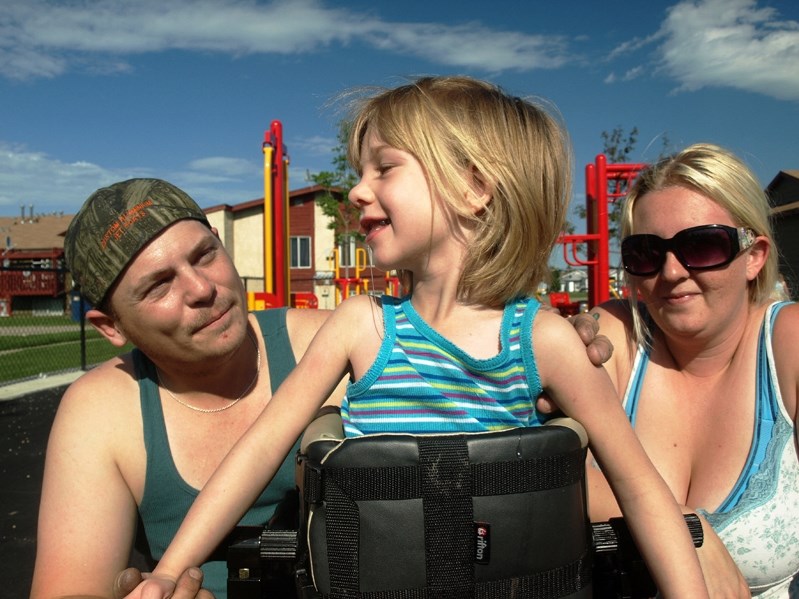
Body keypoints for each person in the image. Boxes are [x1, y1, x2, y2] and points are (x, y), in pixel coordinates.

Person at [126, 76, 708, 599]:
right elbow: (258, 451)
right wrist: (170, 571)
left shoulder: (541, 341)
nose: (356, 191)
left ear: (473, 186)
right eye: (360, 173)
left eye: (384, 168)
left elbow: (640, 489)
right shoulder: (363, 325)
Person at [30, 177, 609, 599]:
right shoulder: (104, 410)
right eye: (158, 286)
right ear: (110, 326)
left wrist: (547, 356)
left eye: (205, 254)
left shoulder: (336, 345)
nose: (201, 289)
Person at [576, 143, 799, 597]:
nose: (672, 271)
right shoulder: (617, 334)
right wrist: (682, 528)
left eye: (701, 245)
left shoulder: (788, 343)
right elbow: (546, 465)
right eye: (646, 253)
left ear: (754, 255)